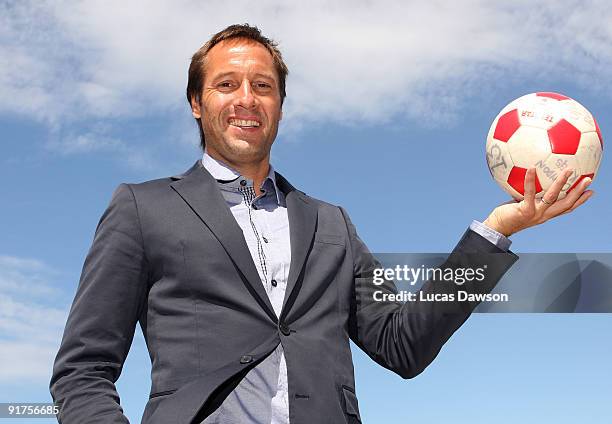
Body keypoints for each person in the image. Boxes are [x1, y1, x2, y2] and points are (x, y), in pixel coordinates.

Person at [49, 24, 593, 424]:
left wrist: (497, 230)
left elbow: (401, 344)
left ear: (280, 105)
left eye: (262, 87)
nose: (246, 99)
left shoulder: (331, 223)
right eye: (226, 85)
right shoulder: (142, 208)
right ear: (196, 102)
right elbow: (82, 370)